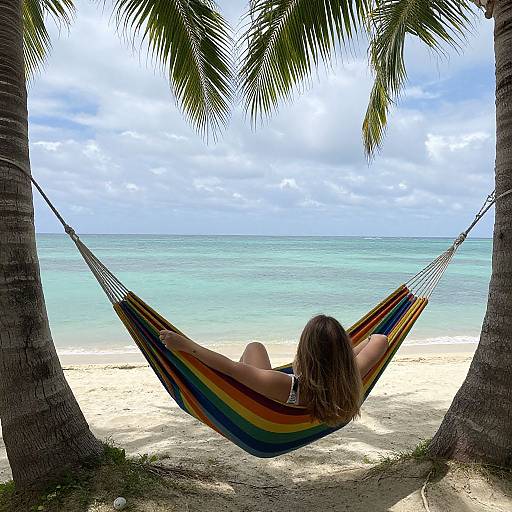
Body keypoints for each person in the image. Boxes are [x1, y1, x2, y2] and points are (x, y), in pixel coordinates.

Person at [159, 315, 388, 426]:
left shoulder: (283, 384)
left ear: (305, 352)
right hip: (319, 397)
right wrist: (345, 360)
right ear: (345, 356)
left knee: (254, 347)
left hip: (267, 400)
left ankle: (243, 395)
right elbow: (380, 339)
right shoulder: (351, 377)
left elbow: (229, 368)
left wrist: (187, 346)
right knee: (254, 350)